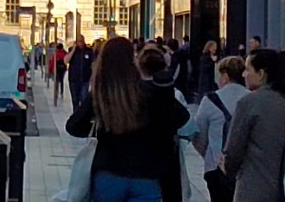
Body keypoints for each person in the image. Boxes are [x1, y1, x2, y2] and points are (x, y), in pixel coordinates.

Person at [65, 37, 191, 202]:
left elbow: (73, 126)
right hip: (145, 174)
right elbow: (182, 118)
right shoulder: (148, 91)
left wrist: (98, 124)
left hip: (108, 173)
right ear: (133, 60)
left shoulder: (101, 95)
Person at [223, 47, 285, 202]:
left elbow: (234, 150)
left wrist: (227, 170)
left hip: (254, 189)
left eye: (247, 70)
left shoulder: (248, 103)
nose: (244, 75)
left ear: (261, 73)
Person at [189, 56, 250, 202]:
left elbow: (199, 135)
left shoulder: (210, 100)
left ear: (225, 76)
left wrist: (208, 155)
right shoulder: (251, 99)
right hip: (246, 167)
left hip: (216, 165)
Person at [68, 35, 96, 112]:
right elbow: (66, 60)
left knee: (84, 98)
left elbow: (93, 63)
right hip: (74, 79)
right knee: (75, 100)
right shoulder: (72, 50)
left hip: (85, 79)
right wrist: (73, 49)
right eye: (78, 41)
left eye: (81, 41)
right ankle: (76, 114)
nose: (80, 43)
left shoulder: (89, 51)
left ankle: (82, 114)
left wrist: (93, 76)